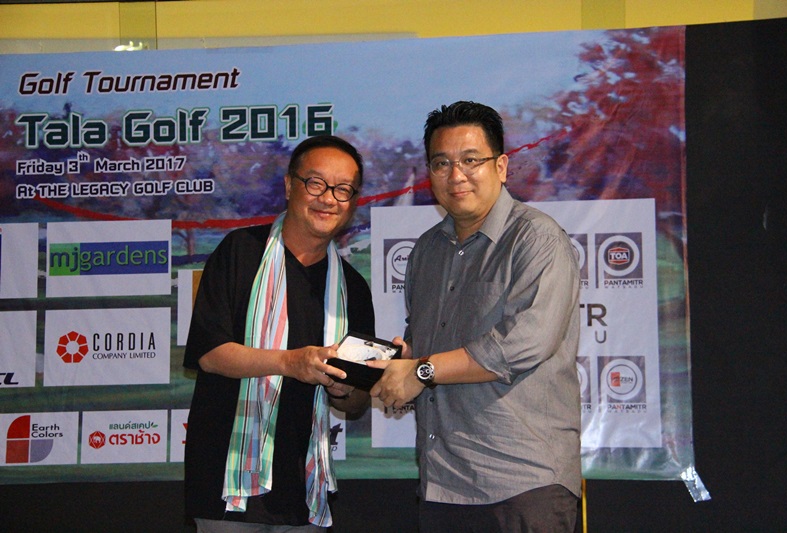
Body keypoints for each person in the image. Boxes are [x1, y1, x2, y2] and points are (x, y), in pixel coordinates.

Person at [369, 101, 582, 532]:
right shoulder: (425, 251)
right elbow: (426, 348)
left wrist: (422, 370)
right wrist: (402, 361)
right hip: (443, 482)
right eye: (441, 163)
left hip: (523, 483)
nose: (456, 175)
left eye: (471, 160)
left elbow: (523, 345)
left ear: (501, 167)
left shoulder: (537, 239)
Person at [183, 135, 375, 532]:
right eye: (316, 183)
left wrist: (344, 388)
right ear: (290, 186)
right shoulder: (240, 251)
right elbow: (209, 353)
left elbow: (356, 403)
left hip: (302, 489)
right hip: (226, 485)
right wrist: (290, 363)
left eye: (343, 189)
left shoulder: (352, 288)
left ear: (353, 200)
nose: (328, 198)